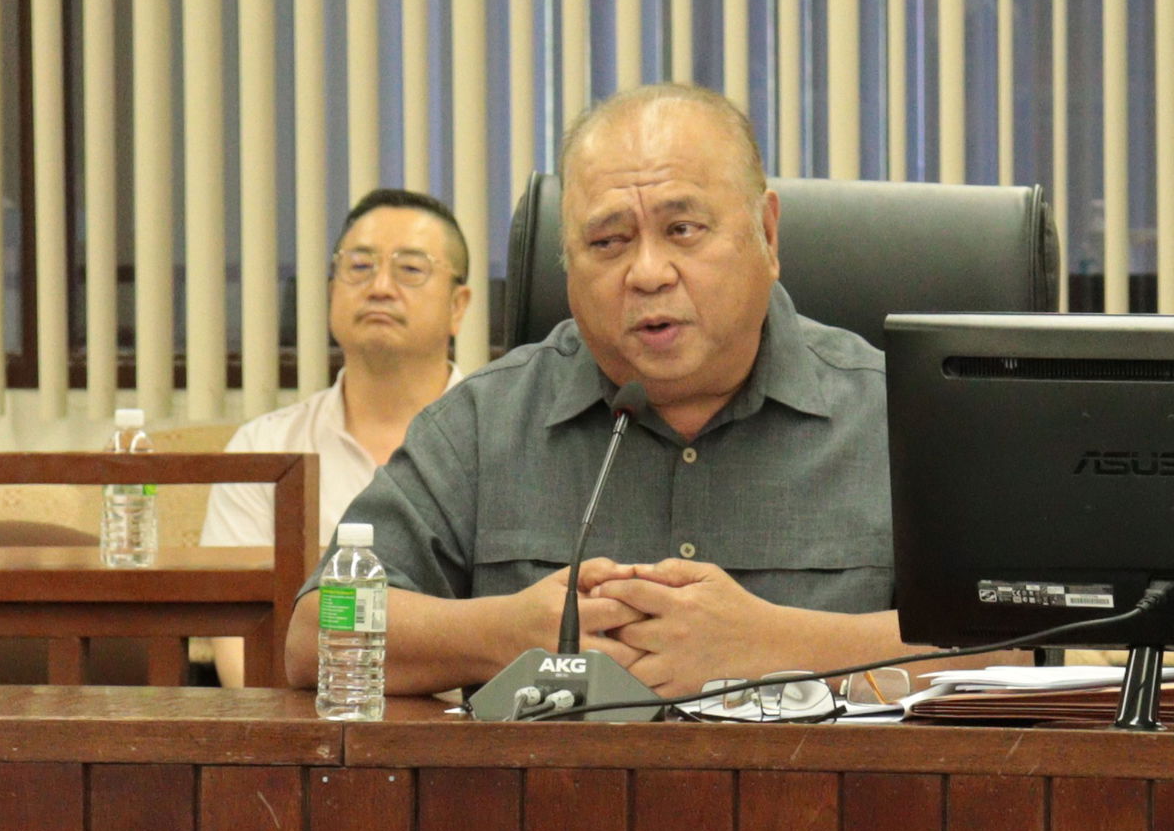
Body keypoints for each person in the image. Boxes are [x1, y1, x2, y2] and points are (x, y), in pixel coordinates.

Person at [284, 83, 1009, 699]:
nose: (648, 273)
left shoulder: (897, 418)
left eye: (683, 228)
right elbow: (317, 629)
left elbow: (1015, 648)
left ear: (766, 233)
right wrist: (504, 632)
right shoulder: (486, 421)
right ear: (566, 266)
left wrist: (773, 646)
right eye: (608, 243)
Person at [203, 188, 471, 686]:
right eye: (360, 266)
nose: (381, 287)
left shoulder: (501, 444)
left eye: (411, 269)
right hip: (300, 744)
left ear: (459, 306)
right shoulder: (263, 450)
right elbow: (242, 654)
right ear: (331, 292)